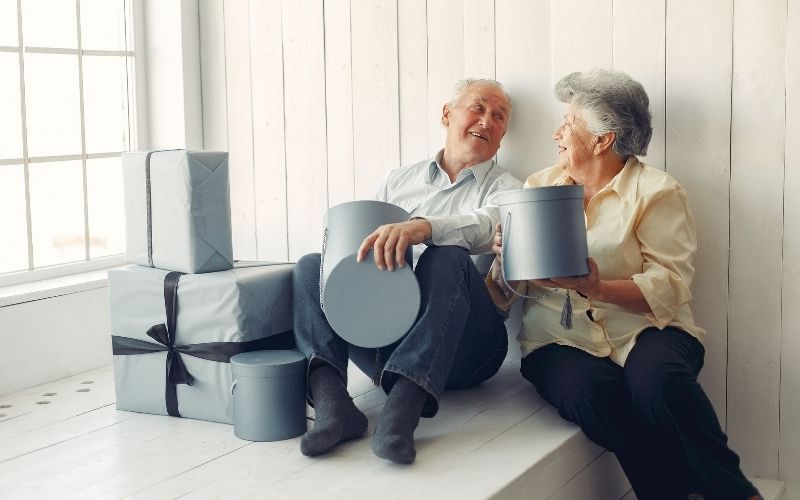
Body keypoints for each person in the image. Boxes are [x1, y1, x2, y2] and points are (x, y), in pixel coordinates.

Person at [486, 69, 762, 500]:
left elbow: (669, 285)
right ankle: (669, 491)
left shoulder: (656, 191)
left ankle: (735, 493)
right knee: (592, 393)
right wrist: (507, 262)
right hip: (558, 341)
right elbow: (506, 293)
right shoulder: (537, 187)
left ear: (603, 139)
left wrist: (595, 287)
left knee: (658, 381)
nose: (557, 133)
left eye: (569, 124)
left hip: (646, 330)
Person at [292, 78, 522, 464]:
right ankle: (334, 404)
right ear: (447, 115)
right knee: (311, 266)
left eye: (499, 117)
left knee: (447, 255)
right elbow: (358, 255)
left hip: (470, 349)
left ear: (502, 137)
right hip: (387, 342)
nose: (487, 120)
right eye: (478, 108)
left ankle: (403, 410)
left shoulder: (509, 189)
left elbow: (485, 225)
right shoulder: (397, 181)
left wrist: (424, 227)